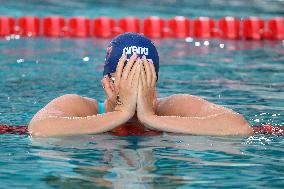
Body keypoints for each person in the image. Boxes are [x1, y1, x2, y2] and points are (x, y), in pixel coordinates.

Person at [28, 32, 253, 137]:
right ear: (106, 82)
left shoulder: (173, 107)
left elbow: (239, 128)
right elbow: (39, 130)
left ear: (154, 82)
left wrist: (151, 118)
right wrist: (121, 113)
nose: (133, 86)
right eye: (125, 77)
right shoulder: (79, 107)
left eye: (142, 76)